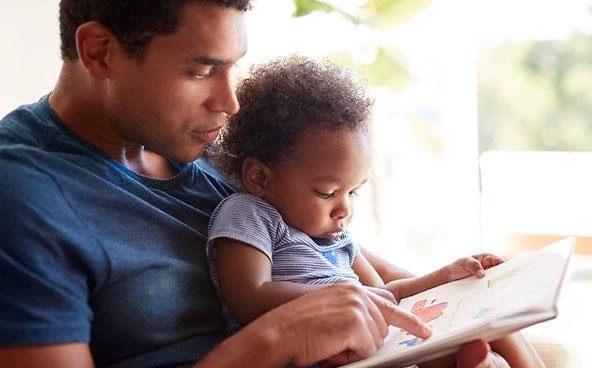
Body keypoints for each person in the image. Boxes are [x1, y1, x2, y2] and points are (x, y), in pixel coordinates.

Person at [0, 1, 542, 367]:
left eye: (233, 67)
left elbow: (341, 260)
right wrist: (276, 336)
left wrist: (459, 302)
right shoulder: (25, 197)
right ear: (100, 52)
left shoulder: (214, 150)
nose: (229, 103)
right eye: (200, 71)